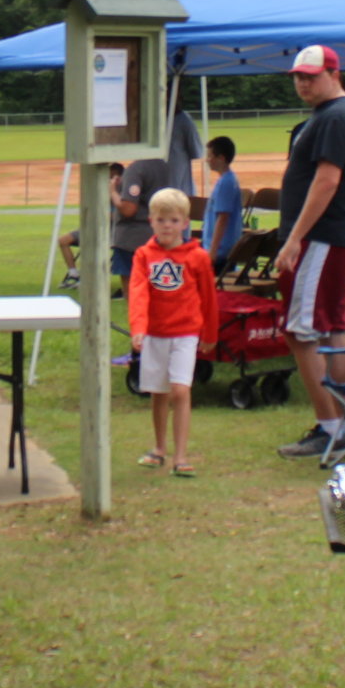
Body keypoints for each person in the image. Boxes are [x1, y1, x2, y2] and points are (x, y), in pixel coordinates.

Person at [273, 45, 345, 462]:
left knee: (301, 330)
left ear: (334, 74)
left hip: (322, 237)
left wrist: (295, 238)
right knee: (330, 327)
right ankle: (343, 422)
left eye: (310, 76)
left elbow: (327, 180)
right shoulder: (341, 113)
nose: (302, 83)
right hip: (335, 235)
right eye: (298, 76)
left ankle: (331, 427)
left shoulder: (334, 117)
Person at [130, 187, 219, 478]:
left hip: (185, 332)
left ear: (185, 223)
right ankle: (159, 448)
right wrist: (139, 328)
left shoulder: (198, 257)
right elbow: (139, 293)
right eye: (161, 220)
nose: (167, 226)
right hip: (155, 333)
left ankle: (181, 456)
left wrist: (210, 332)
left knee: (180, 390)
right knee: (159, 391)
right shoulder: (144, 255)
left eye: (173, 220)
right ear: (151, 221)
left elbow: (208, 297)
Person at [58, 164, 125, 288]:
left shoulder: (121, 193)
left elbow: (118, 215)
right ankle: (73, 273)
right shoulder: (102, 191)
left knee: (94, 246)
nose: (109, 181)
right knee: (63, 240)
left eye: (112, 178)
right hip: (93, 228)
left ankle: (91, 278)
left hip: (111, 233)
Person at [111, 152, 172, 285]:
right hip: (159, 235)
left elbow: (128, 209)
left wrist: (113, 192)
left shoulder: (136, 169)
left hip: (132, 239)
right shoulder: (164, 166)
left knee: (133, 291)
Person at [201, 136, 244, 272]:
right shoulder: (227, 180)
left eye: (210, 156)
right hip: (220, 250)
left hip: (220, 252)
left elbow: (223, 218)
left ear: (221, 158)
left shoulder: (226, 183)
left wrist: (212, 251)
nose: (207, 160)